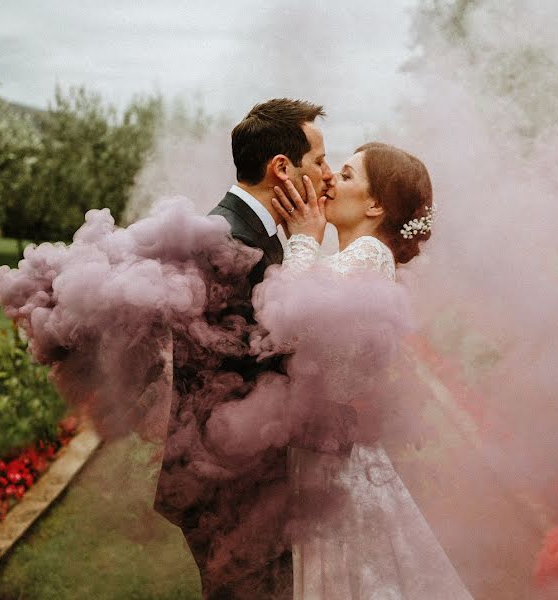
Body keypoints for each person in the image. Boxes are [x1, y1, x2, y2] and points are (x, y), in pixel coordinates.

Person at [272, 143, 473, 599]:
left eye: (344, 176)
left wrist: (303, 236)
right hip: (327, 452)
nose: (329, 181)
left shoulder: (369, 254)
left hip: (330, 458)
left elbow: (290, 320)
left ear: (375, 204)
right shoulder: (353, 259)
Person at [153, 98, 335, 599]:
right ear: (282, 167)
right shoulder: (228, 243)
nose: (327, 174)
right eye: (318, 160)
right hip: (230, 486)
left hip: (246, 476)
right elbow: (263, 353)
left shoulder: (255, 233)